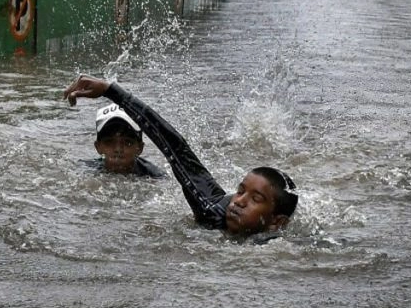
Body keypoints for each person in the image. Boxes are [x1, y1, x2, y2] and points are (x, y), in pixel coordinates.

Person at [64, 75, 298, 238]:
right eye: (240, 191)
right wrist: (111, 90)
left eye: (255, 199)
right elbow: (174, 146)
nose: (239, 202)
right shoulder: (212, 209)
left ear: (276, 223)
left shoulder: (277, 246)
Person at [90, 103, 166, 178]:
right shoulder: (86, 171)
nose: (118, 149)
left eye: (127, 142)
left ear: (140, 148)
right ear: (98, 147)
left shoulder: (155, 177)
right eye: (109, 142)